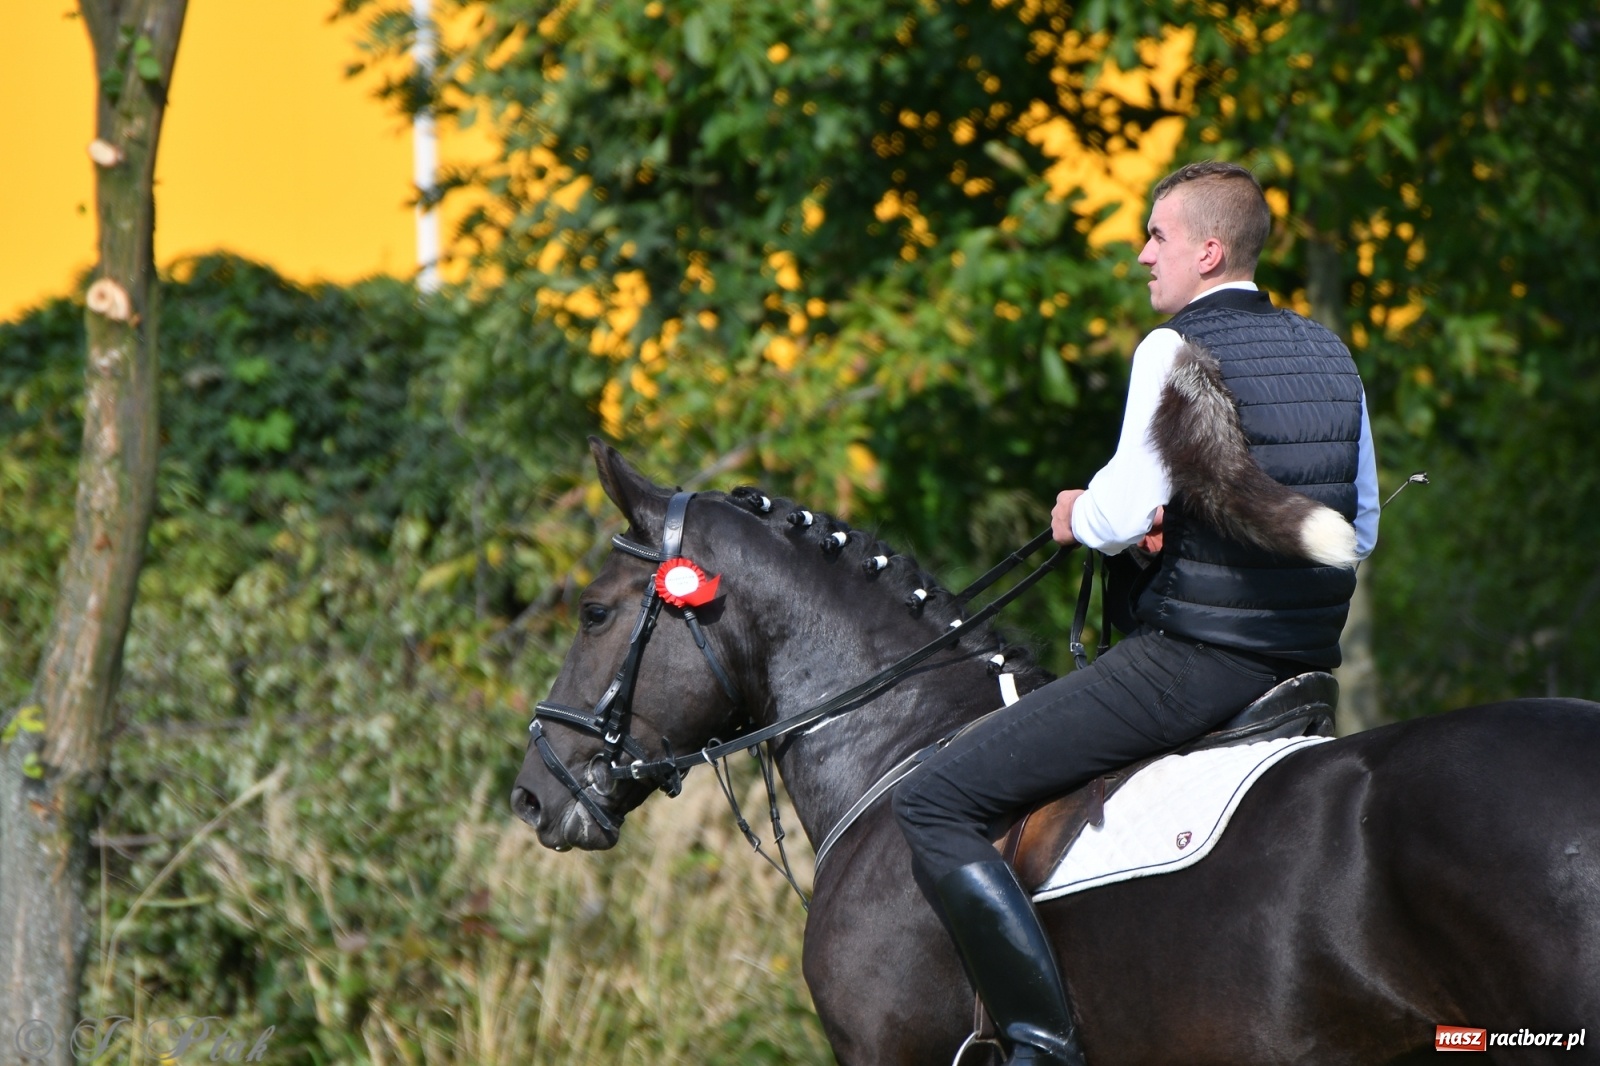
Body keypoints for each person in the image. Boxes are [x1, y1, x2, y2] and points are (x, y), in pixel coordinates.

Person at [892, 161, 1380, 1065]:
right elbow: (1361, 529)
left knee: (936, 801)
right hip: (1305, 665)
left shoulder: (1174, 350)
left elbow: (1116, 513)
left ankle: (1039, 1041)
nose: (1142, 256)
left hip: (1195, 664)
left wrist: (1079, 514)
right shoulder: (1332, 352)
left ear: (1208, 248)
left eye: (1157, 236)